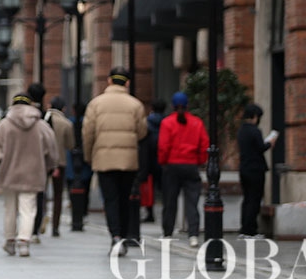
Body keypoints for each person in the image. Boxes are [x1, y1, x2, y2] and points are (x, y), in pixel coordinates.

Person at [0, 93, 58, 257]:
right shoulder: (41, 126)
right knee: (28, 209)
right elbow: (51, 149)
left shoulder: (4, 126)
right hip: (33, 173)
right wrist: (52, 166)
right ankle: (24, 241)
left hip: (9, 173)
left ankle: (9, 240)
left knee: (10, 208)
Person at [82, 67, 146, 255]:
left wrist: (88, 156)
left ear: (109, 81)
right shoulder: (135, 105)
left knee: (110, 200)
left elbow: (88, 133)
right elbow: (142, 132)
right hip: (128, 160)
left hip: (104, 160)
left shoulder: (96, 104)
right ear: (127, 83)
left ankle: (115, 236)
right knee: (124, 199)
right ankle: (123, 236)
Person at [157, 91, 210, 247]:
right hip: (190, 165)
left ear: (172, 106)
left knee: (170, 201)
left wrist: (163, 162)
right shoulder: (196, 123)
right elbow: (204, 145)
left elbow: (163, 146)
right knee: (192, 203)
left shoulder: (167, 123)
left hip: (172, 166)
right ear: (187, 105)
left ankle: (168, 233)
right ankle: (193, 234)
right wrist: (199, 161)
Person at [237, 102, 277, 238]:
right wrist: (270, 143)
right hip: (256, 169)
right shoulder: (255, 131)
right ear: (255, 116)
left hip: (244, 168)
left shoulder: (241, 130)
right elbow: (261, 148)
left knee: (247, 199)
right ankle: (251, 230)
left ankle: (244, 228)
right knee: (255, 199)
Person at [44, 96, 76, 238]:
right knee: (58, 195)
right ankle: (55, 227)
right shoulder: (66, 123)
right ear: (63, 108)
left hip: (44, 161)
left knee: (41, 192)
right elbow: (70, 145)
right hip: (59, 162)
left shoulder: (42, 121)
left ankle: (41, 217)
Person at [27, 83, 49, 242]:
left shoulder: (22, 113)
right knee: (39, 195)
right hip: (40, 161)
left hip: (22, 160)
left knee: (23, 196)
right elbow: (50, 141)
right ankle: (35, 229)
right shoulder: (45, 116)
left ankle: (25, 227)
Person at [138, 99, 166, 223]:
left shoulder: (147, 123)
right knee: (165, 188)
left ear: (152, 109)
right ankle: (166, 213)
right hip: (163, 159)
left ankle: (150, 213)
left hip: (149, 159)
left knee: (149, 188)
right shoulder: (167, 122)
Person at [66, 102, 93, 231]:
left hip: (72, 163)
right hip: (86, 163)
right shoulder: (88, 123)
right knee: (86, 189)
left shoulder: (70, 123)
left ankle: (76, 214)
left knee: (72, 189)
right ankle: (83, 212)